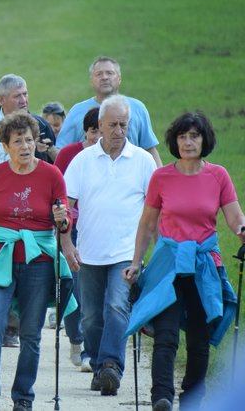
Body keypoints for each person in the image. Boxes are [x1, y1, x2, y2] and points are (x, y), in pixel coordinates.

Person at [123, 112, 245, 411]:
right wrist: (137, 263)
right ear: (174, 141)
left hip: (203, 265)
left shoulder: (218, 175)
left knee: (199, 339)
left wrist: (243, 230)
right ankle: (161, 397)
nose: (188, 142)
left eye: (194, 136)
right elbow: (147, 224)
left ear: (205, 140)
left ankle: (192, 400)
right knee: (165, 335)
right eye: (182, 136)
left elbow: (234, 216)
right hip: (169, 264)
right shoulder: (161, 177)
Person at [0, 111, 73, 411]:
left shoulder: (52, 175)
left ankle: (23, 397)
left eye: (29, 140)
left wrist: (62, 220)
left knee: (30, 333)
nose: (25, 146)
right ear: (6, 144)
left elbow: (63, 220)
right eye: (18, 141)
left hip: (38, 260)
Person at [61, 95, 156, 397]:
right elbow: (65, 206)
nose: (118, 130)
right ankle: (99, 363)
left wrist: (153, 251)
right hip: (89, 251)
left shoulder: (142, 161)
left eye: (123, 125)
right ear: (99, 125)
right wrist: (66, 244)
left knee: (116, 305)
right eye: (112, 124)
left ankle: (111, 366)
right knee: (90, 315)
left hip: (126, 252)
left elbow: (155, 211)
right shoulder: (82, 161)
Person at [52, 107, 102, 372]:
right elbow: (57, 191)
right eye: (93, 131)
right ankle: (77, 339)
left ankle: (92, 347)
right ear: (86, 131)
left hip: (100, 228)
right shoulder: (71, 154)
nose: (96, 137)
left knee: (95, 291)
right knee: (73, 286)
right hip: (73, 227)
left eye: (100, 130)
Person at [56, 56, 162, 167]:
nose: (105, 77)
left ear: (119, 78)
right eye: (99, 74)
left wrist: (161, 180)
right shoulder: (77, 111)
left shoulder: (137, 108)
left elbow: (149, 148)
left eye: (110, 73)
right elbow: (62, 152)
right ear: (91, 80)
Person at [0, 74, 58, 165]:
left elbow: (51, 166)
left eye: (25, 94)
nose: (23, 100)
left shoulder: (42, 126)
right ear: (1, 100)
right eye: (17, 96)